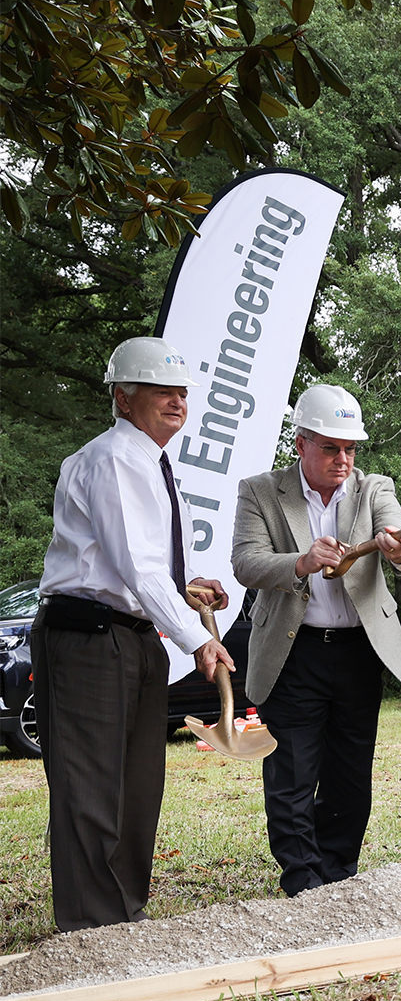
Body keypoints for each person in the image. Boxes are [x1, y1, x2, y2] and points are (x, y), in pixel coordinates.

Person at [31, 336, 233, 931]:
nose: (176, 401)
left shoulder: (155, 464)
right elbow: (134, 566)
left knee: (138, 785)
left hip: (132, 636)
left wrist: (188, 588)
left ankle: (124, 915)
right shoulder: (114, 457)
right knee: (92, 786)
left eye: (181, 392)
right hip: (89, 637)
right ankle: (94, 929)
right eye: (160, 390)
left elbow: (148, 563)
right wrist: (196, 637)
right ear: (123, 397)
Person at [231, 384, 401, 898]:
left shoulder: (374, 487)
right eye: (331, 447)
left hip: (359, 652)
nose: (343, 459)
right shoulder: (260, 490)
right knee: (290, 774)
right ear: (301, 444)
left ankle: (337, 879)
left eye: (350, 448)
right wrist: (301, 561)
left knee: (350, 776)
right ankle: (302, 882)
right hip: (292, 654)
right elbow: (245, 563)